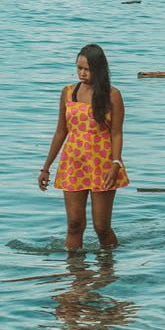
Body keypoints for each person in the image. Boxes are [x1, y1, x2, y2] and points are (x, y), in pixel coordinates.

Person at [38, 44, 127, 252]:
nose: (82, 73)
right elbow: (61, 131)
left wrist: (116, 163)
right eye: (79, 68)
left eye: (87, 69)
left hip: (102, 164)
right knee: (74, 225)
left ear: (99, 69)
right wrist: (46, 167)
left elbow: (116, 133)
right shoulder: (68, 92)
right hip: (72, 163)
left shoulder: (112, 95)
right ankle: (76, 275)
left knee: (101, 227)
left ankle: (108, 268)